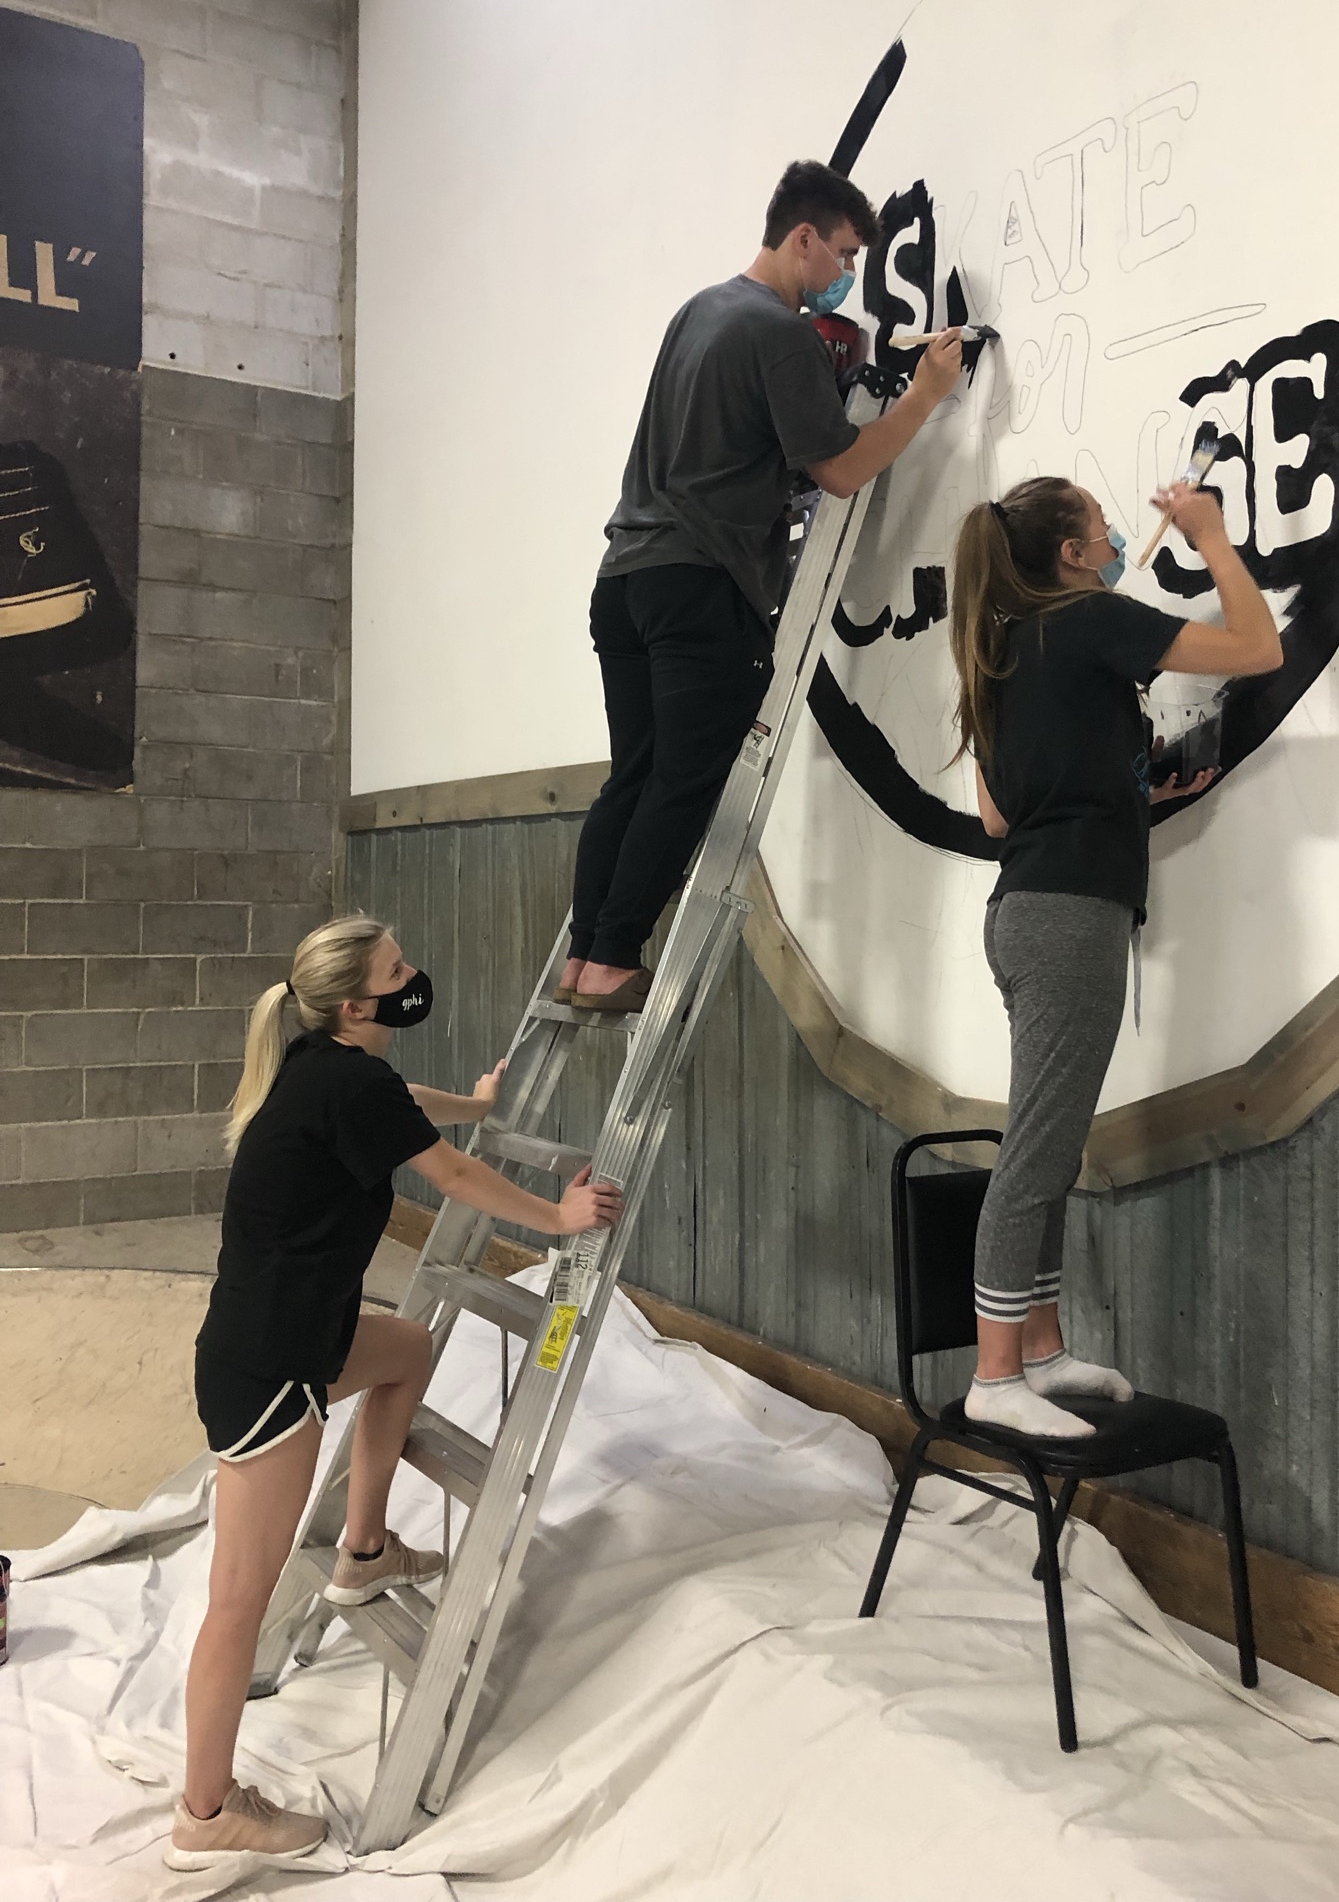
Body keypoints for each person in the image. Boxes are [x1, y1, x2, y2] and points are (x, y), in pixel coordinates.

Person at [165, 913, 621, 1872]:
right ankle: (205, 1815)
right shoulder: (341, 1077)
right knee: (237, 1601)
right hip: (266, 1369)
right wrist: (557, 1216)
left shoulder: (328, 1064)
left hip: (304, 1333)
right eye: (398, 969)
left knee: (407, 1348)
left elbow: (408, 1103)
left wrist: (478, 1099)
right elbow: (447, 1172)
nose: (415, 976)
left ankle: (364, 1549)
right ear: (359, 1003)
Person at [561, 158, 965, 1014]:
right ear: (804, 238)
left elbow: (735, 450)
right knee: (687, 776)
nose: (849, 278)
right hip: (700, 585)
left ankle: (585, 956)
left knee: (631, 773)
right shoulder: (779, 333)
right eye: (847, 256)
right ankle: (610, 960)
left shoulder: (697, 311)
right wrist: (924, 397)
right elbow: (845, 469)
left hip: (625, 578)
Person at [948, 477, 1282, 1438]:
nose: (1115, 533)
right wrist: (1213, 539)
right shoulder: (1090, 619)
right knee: (1038, 1152)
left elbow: (999, 815)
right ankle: (995, 1375)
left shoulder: (1001, 650)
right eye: (1100, 525)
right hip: (1068, 918)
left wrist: (1125, 784)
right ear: (1072, 553)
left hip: (1024, 911)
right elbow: (1259, 648)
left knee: (1049, 1144)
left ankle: (1040, 1354)